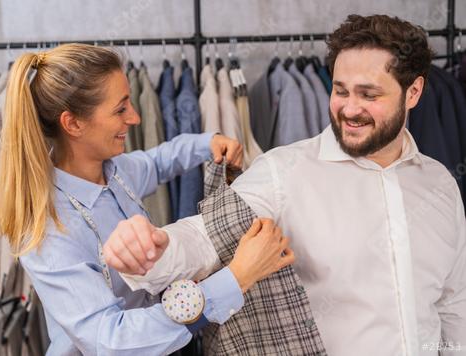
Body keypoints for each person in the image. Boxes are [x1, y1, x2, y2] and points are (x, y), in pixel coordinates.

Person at [105, 15, 466, 356]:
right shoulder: (284, 172)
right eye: (341, 91)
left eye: (369, 95)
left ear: (414, 92)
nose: (350, 109)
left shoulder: (440, 185)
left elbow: (453, 303)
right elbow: (203, 238)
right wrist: (154, 249)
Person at [0, 43, 296, 355]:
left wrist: (207, 142)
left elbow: (159, 161)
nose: (134, 118)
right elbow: (112, 341)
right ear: (73, 124)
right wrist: (236, 278)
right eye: (120, 109)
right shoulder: (48, 231)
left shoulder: (116, 170)